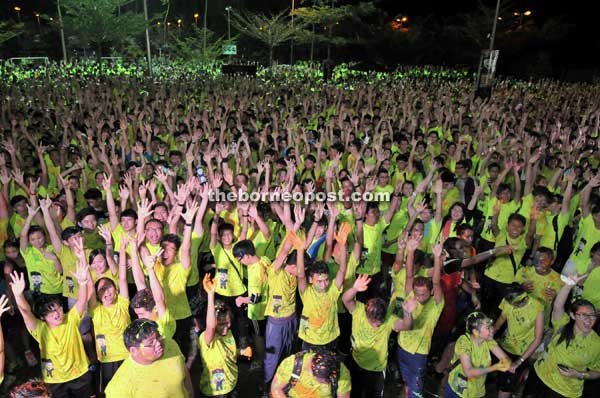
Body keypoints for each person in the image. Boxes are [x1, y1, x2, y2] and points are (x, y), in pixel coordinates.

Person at [9, 259, 92, 398]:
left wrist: (83, 283)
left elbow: (82, 300)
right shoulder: (39, 329)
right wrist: (18, 295)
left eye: (58, 308)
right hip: (55, 380)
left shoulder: (70, 319)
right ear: (42, 317)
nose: (56, 313)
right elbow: (25, 311)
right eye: (50, 311)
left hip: (80, 375)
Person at [524, 274, 600, 397]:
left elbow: (597, 371)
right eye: (583, 315)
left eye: (592, 315)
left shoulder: (597, 344)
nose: (589, 319)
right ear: (573, 315)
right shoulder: (563, 324)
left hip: (564, 392)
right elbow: (558, 306)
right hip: (539, 377)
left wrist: (578, 375)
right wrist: (568, 285)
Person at [342, 274, 416, 398]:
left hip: (376, 370)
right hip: (355, 362)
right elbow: (345, 299)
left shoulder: (389, 320)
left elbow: (406, 326)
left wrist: (407, 313)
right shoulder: (359, 310)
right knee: (354, 392)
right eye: (374, 320)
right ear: (367, 312)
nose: (376, 324)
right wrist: (354, 289)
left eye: (379, 322)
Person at [397, 235, 444, 398]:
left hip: (418, 354)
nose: (418, 297)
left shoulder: (436, 305)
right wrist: (410, 250)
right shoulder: (411, 296)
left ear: (431, 293)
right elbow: (409, 275)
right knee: (407, 383)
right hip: (402, 347)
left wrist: (437, 258)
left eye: (423, 294)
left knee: (416, 390)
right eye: (416, 293)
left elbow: (437, 282)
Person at [104, 319, 193, 398]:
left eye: (158, 336)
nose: (158, 343)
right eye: (151, 343)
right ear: (134, 350)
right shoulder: (120, 387)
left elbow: (185, 375)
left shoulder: (170, 345)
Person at [493, 283, 544, 398]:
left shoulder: (537, 308)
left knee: (505, 388)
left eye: (515, 305)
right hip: (504, 345)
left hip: (520, 353)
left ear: (524, 298)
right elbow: (501, 318)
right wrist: (491, 332)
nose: (512, 307)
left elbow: (538, 338)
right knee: (498, 378)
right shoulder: (509, 300)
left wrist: (519, 361)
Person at [445, 312, 511, 398]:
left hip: (476, 392)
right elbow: (469, 372)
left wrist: (507, 363)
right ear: (476, 332)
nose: (492, 329)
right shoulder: (464, 342)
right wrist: (495, 367)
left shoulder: (488, 341)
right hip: (458, 391)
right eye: (488, 327)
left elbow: (505, 359)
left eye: (491, 326)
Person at [197, 274, 238, 397]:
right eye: (221, 324)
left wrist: (241, 351)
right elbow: (211, 326)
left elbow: (228, 351)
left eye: (228, 322)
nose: (226, 327)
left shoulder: (229, 333)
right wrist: (210, 295)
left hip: (231, 385)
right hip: (214, 392)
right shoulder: (207, 338)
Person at [270, 350, 351, 398]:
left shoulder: (342, 373)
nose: (325, 382)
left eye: (327, 379)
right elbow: (276, 388)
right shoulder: (292, 364)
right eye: (321, 379)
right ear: (310, 368)